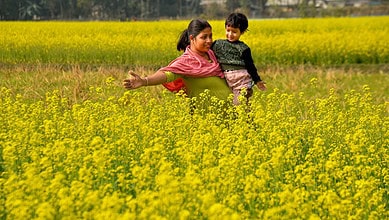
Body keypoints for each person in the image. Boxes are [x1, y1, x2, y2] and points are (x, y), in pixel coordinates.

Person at [123, 19, 232, 102]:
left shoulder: (214, 55)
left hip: (232, 116)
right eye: (204, 37)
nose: (209, 41)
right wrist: (144, 81)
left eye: (210, 36)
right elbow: (166, 75)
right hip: (206, 120)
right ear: (192, 38)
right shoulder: (186, 62)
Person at [212, 12, 266, 105]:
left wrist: (257, 80)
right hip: (226, 81)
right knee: (228, 108)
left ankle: (248, 119)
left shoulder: (243, 48)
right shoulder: (218, 44)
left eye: (234, 32)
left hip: (242, 82)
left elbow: (250, 66)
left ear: (242, 32)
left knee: (239, 105)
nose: (230, 34)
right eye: (228, 30)